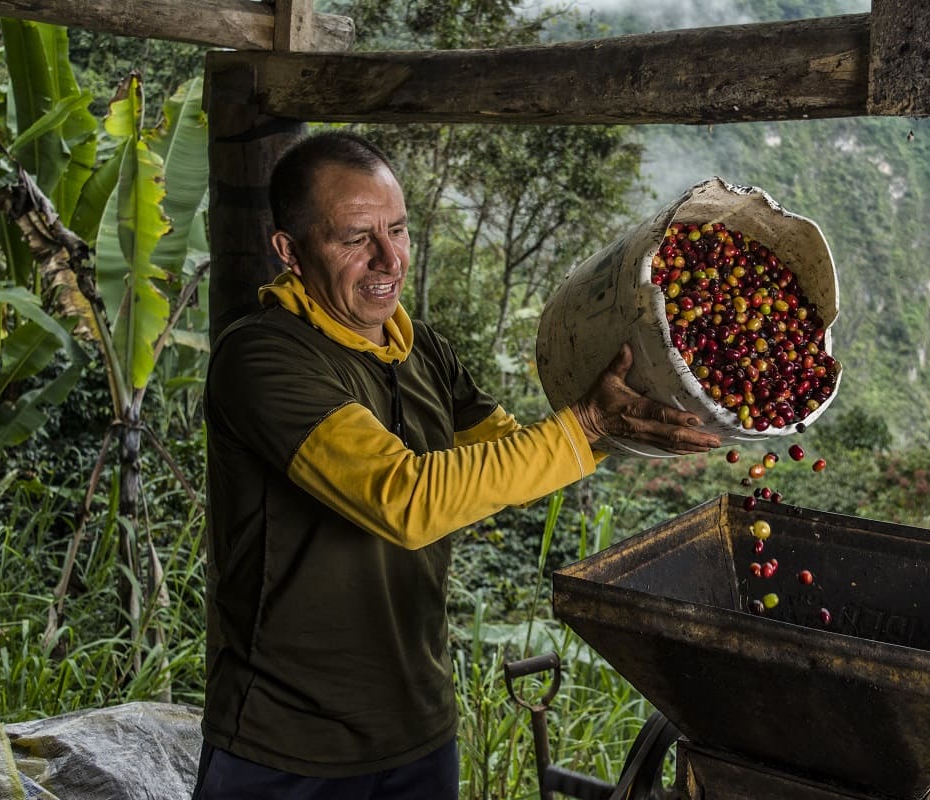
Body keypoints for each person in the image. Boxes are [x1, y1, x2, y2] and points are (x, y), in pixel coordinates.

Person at [193, 130, 720, 799]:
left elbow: (509, 460)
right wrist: (587, 424)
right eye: (356, 238)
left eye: (399, 229)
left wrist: (627, 415)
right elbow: (404, 500)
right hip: (285, 745)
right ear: (291, 253)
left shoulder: (424, 353)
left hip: (417, 730)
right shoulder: (264, 359)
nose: (389, 257)